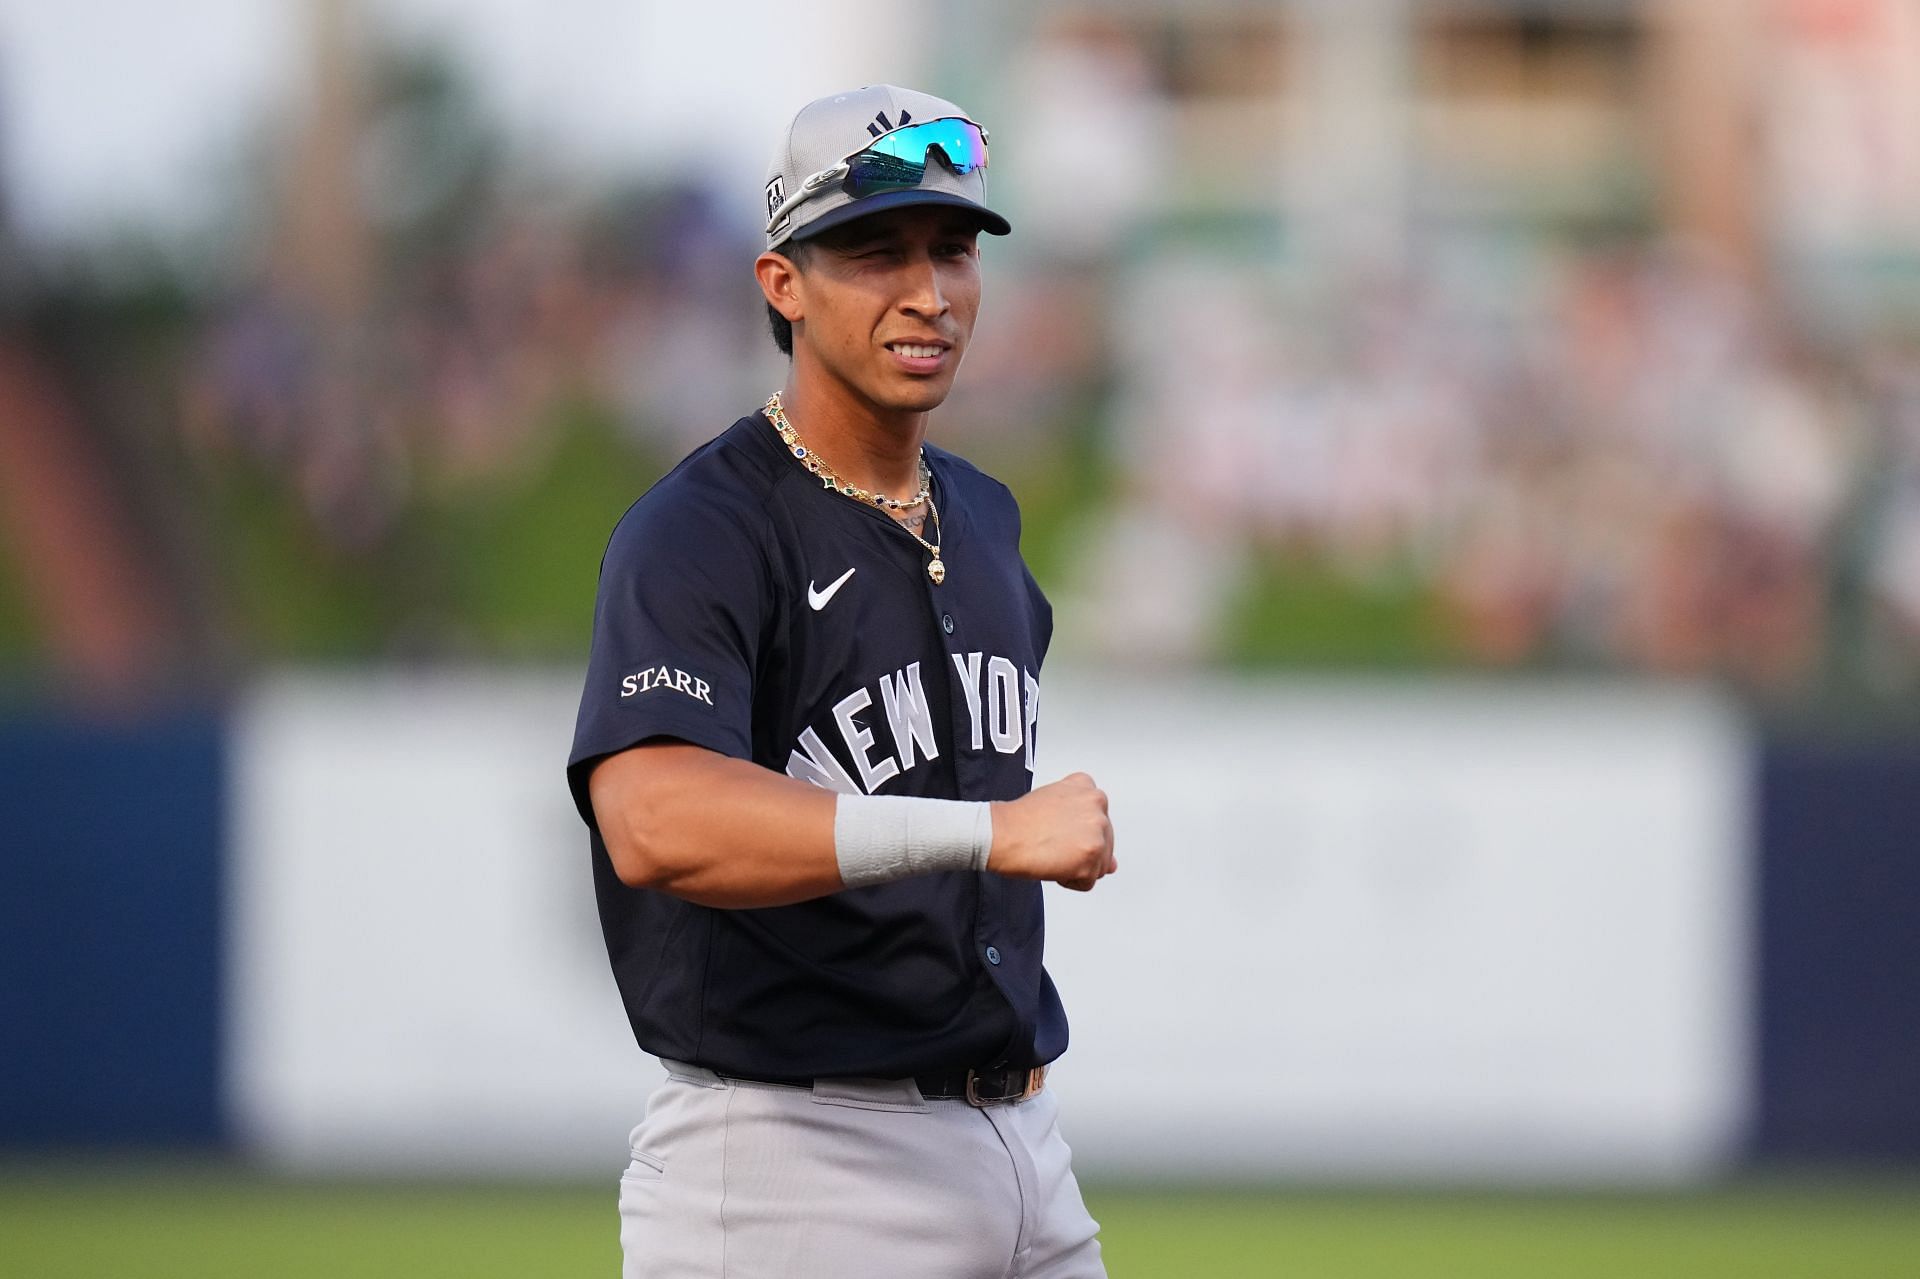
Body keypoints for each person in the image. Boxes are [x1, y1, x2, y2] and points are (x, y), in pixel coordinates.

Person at [565, 84, 1117, 1279]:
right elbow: (653, 820)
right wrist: (990, 833)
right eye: (874, 253)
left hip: (1022, 1141)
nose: (927, 292)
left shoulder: (985, 516)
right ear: (783, 284)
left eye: (953, 249)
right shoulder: (703, 530)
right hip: (792, 1164)